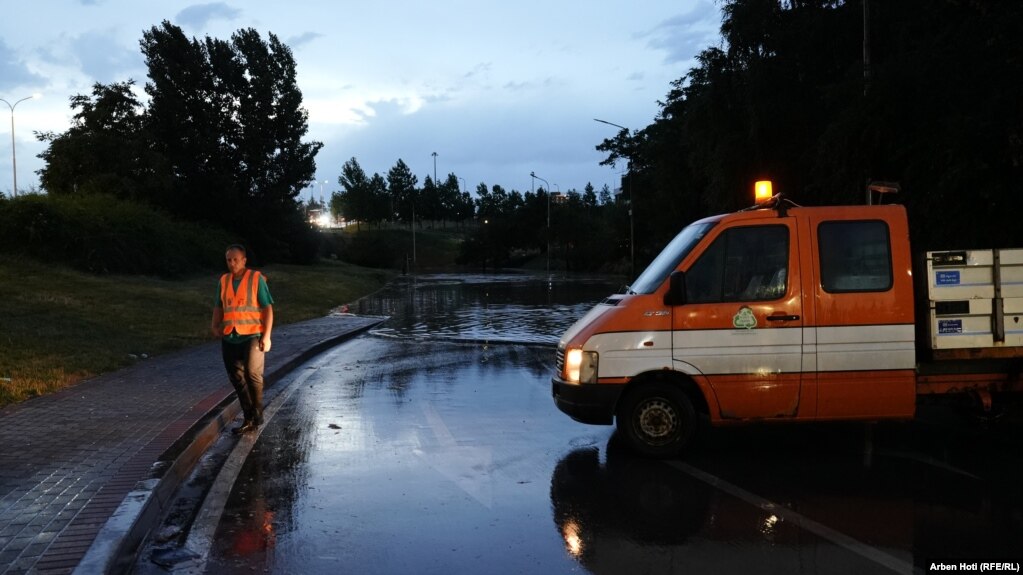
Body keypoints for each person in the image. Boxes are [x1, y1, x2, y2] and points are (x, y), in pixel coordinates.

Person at [211, 244, 274, 434]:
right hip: (230, 336)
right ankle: (248, 417)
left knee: (252, 375)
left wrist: (267, 336)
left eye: (235, 259)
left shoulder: (255, 279)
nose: (232, 263)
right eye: (229, 260)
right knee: (237, 379)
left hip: (253, 335)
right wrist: (215, 325)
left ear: (244, 260)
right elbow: (219, 306)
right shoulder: (224, 280)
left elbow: (267, 308)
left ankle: (257, 410)